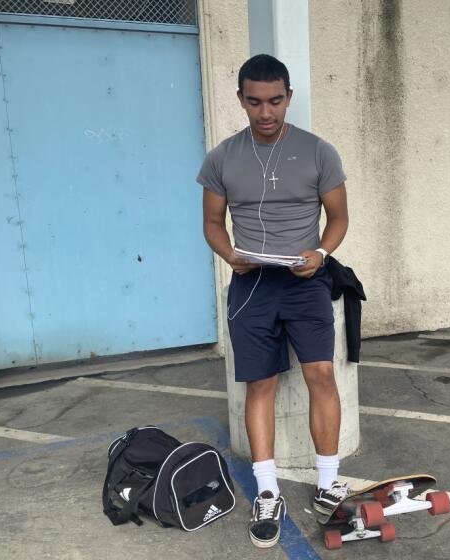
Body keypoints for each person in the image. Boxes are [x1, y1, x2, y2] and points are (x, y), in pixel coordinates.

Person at [196, 54, 350, 548]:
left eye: (276, 101)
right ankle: (267, 492)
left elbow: (339, 218)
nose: (266, 112)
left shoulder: (318, 152)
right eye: (255, 101)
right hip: (253, 284)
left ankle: (328, 484)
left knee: (320, 374)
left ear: (289, 97)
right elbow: (213, 224)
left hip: (305, 281)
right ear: (240, 99)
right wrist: (230, 256)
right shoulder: (222, 158)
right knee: (259, 385)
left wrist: (321, 252)